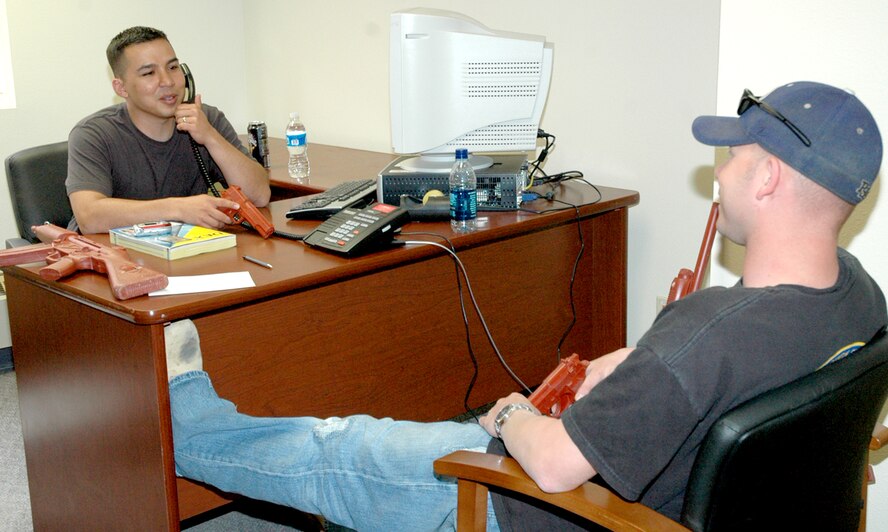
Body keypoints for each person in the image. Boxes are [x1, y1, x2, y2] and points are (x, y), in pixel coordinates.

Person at [167, 81, 886, 530]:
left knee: (341, 447)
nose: (721, 174)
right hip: (665, 485)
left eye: (735, 157)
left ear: (768, 179)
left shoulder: (703, 340)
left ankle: (186, 428)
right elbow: (714, 373)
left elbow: (556, 469)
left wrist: (510, 414)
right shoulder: (857, 296)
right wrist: (637, 361)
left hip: (534, 506)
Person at [65, 26, 270, 234]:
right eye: (149, 73)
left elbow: (260, 196)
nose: (168, 81)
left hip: (187, 247)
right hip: (113, 250)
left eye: (173, 67)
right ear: (121, 88)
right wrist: (177, 209)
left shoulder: (206, 118)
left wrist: (210, 137)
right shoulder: (93, 134)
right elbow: (89, 217)